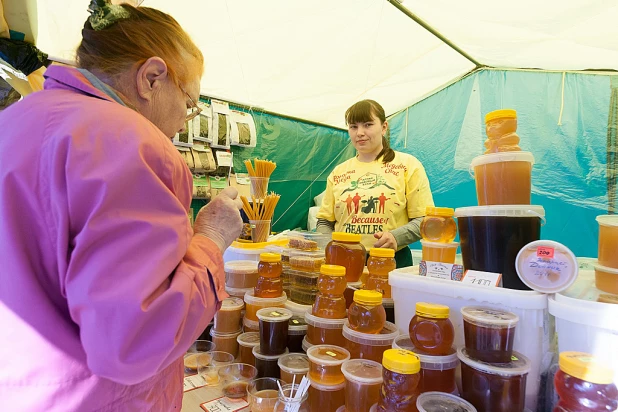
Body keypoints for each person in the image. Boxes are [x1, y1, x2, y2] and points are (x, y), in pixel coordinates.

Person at [0, 2, 243, 410]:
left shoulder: (15, 121)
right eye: (189, 101)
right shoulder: (132, 141)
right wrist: (211, 240)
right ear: (151, 78)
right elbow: (131, 342)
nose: (186, 119)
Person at [317, 99, 434, 267]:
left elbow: (425, 220)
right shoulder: (339, 172)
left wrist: (396, 236)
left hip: (391, 261)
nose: (360, 133)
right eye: (353, 127)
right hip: (344, 263)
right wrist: (328, 247)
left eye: (368, 125)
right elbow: (324, 222)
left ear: (384, 127)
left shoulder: (407, 165)